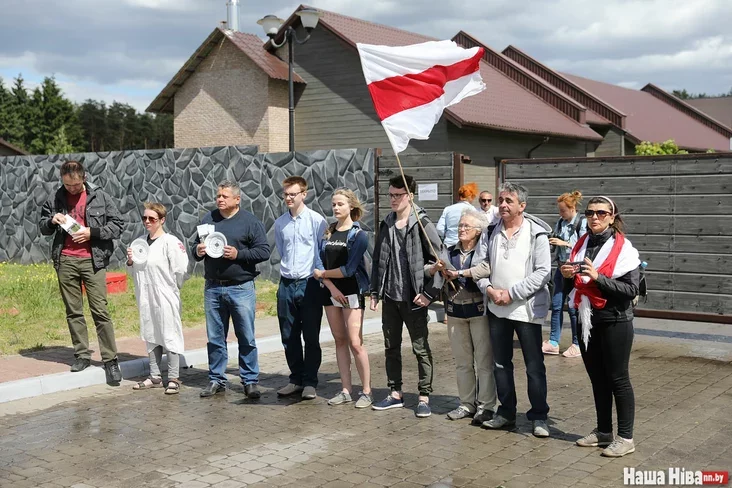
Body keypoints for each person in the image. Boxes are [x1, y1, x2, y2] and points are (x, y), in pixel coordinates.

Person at [561, 196, 640, 457]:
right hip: (586, 318)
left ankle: (626, 438)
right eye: (590, 212)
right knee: (597, 377)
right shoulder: (581, 244)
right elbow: (572, 287)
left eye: (601, 213)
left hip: (615, 319)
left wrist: (598, 278)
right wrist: (566, 276)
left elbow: (630, 290)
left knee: (618, 379)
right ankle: (604, 431)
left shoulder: (624, 249)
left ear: (612, 217)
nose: (595, 217)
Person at [472, 182, 552, 437]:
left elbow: (543, 272)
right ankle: (506, 413)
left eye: (509, 201)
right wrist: (489, 289)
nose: (503, 205)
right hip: (497, 310)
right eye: (501, 200)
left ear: (522, 206)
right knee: (500, 364)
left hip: (526, 311)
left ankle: (539, 416)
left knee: (534, 366)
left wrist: (512, 293)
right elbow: (480, 266)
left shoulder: (537, 233)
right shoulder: (490, 231)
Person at [39, 160, 123, 384]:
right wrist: (51, 221)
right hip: (65, 260)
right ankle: (82, 355)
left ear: (84, 178)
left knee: (100, 311)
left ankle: (110, 360)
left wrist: (91, 232)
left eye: (75, 185)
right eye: (67, 185)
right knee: (73, 311)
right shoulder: (56, 198)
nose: (72, 189)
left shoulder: (100, 196)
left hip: (93, 261)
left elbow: (118, 225)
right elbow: (43, 226)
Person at [370, 174, 443, 418]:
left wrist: (429, 295)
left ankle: (424, 397)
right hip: (390, 298)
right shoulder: (386, 223)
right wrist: (375, 292)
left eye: (398, 195)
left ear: (410, 196)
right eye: (390, 195)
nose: (393, 199)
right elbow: (378, 260)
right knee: (390, 347)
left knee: (420, 348)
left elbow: (440, 261)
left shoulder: (422, 223)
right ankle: (395, 393)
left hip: (415, 299)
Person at [192, 180, 270, 399]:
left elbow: (264, 251)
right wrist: (198, 251)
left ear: (237, 199)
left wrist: (239, 254)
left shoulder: (250, 222)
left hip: (241, 288)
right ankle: (216, 379)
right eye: (218, 196)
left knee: (246, 336)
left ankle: (250, 381)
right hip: (213, 288)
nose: (219, 199)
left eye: (224, 196)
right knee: (215, 338)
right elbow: (194, 248)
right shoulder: (208, 219)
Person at [429, 209, 497, 424]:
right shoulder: (449, 251)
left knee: (484, 362)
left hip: (479, 312)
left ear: (478, 231)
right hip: (455, 312)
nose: (461, 229)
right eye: (460, 225)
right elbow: (431, 271)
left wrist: (459, 273)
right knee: (462, 363)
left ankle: (486, 407)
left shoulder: (484, 251)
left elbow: (485, 269)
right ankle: (466, 404)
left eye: (466, 226)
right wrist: (436, 269)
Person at [312, 189, 372, 408]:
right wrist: (329, 285)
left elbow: (349, 269)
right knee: (339, 340)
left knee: (355, 342)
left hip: (352, 291)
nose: (336, 208)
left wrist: (323, 274)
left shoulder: (359, 235)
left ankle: (366, 392)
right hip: (330, 292)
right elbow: (318, 262)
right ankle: (346, 390)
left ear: (351, 207)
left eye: (340, 204)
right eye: (334, 204)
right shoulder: (328, 232)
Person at [274, 176, 327, 400]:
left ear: (304, 194)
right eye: (285, 194)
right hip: (286, 283)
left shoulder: (317, 221)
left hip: (310, 283)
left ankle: (310, 382)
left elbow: (321, 251)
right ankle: (295, 379)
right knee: (288, 334)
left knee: (311, 335)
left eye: (292, 194)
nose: (288, 198)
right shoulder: (280, 223)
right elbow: (282, 250)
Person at [127, 203, 189, 394]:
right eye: (144, 218)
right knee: (151, 332)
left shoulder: (170, 242)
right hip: (146, 295)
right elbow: (133, 271)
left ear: (162, 220)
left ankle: (173, 377)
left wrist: (172, 289)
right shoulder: (139, 243)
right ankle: (154, 376)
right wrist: (130, 261)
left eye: (152, 219)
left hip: (165, 295)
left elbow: (180, 269)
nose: (147, 222)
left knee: (169, 333)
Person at [544, 190, 586, 358]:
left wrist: (565, 243)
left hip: (574, 269)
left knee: (573, 307)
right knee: (556, 305)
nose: (561, 214)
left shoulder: (582, 223)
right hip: (561, 267)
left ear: (572, 208)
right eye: (559, 210)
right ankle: (554, 342)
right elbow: (556, 241)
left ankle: (577, 343)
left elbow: (584, 246)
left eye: (563, 210)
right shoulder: (561, 222)